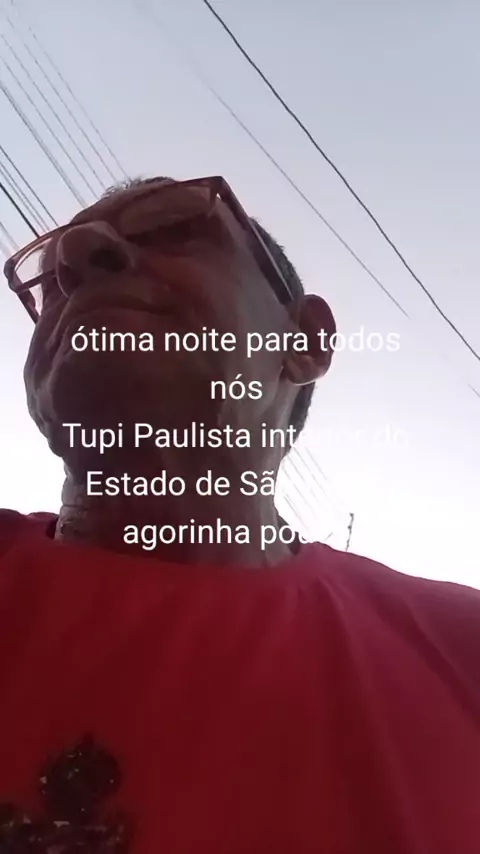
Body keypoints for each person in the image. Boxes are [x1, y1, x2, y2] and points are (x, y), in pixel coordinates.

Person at [1, 174, 479, 854]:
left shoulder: (462, 648)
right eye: (50, 283)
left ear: (305, 341)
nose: (77, 255)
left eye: (170, 226)